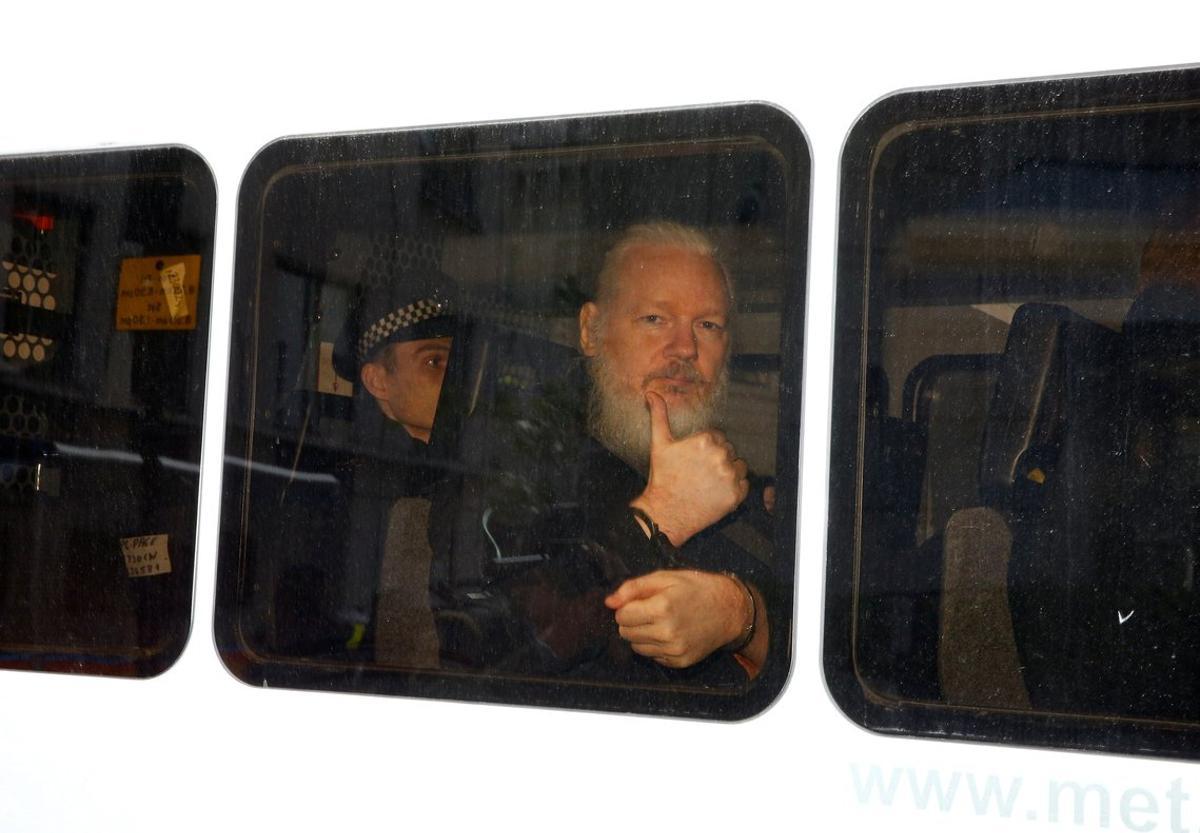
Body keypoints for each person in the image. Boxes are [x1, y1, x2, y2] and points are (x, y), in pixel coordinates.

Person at [498, 221, 772, 682]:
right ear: (591, 329)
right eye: (654, 319)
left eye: (708, 325)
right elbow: (501, 655)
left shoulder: (746, 495)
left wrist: (742, 616)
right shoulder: (521, 461)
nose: (685, 348)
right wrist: (663, 515)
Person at [329, 266, 456, 669]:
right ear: (378, 381)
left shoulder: (443, 466)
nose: (452, 378)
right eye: (433, 361)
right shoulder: (364, 484)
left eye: (455, 361)